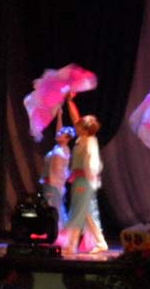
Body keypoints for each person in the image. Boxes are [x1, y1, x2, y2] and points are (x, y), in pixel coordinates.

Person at [62, 92, 108, 255]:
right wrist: (70, 102)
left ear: (86, 129)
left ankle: (71, 245)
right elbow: (75, 118)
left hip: (84, 182)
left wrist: (81, 174)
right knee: (87, 213)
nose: (76, 126)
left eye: (80, 125)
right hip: (80, 180)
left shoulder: (90, 141)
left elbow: (94, 165)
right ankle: (101, 242)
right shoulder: (82, 138)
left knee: (77, 211)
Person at [40, 108, 75, 232]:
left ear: (67, 139)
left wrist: (51, 180)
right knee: (52, 206)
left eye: (62, 134)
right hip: (50, 181)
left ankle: (57, 230)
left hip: (55, 183)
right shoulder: (59, 147)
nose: (59, 134)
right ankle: (53, 229)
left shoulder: (63, 151)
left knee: (55, 207)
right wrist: (60, 115)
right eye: (59, 133)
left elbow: (61, 171)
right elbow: (58, 130)